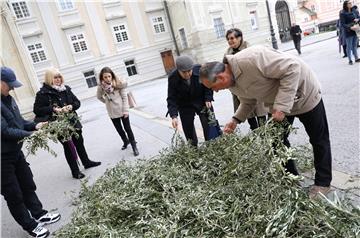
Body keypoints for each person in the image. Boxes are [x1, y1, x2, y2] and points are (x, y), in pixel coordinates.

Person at [199, 45, 332, 199]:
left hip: (304, 94)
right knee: (276, 141)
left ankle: (322, 183)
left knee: (318, 140)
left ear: (221, 77)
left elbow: (292, 68)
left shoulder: (252, 59)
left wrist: (282, 106)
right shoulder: (231, 83)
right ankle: (291, 179)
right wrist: (236, 120)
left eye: (214, 87)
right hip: (277, 105)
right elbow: (248, 100)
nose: (215, 91)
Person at [1, 67, 61, 238]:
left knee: (27, 184)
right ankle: (30, 225)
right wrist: (30, 134)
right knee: (14, 194)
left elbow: (19, 122)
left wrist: (35, 126)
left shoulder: (8, 99)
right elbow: (4, 131)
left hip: (15, 153)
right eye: (9, 85)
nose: (12, 88)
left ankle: (39, 213)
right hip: (1, 159)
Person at [33, 68, 101, 179]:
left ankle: (86, 162)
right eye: (55, 77)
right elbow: (37, 110)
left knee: (79, 142)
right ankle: (75, 171)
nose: (58, 79)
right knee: (68, 147)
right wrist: (53, 109)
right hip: (59, 125)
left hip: (72, 121)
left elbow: (77, 102)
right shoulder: (42, 94)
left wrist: (71, 107)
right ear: (49, 78)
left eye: (59, 77)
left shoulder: (66, 89)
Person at [223, 28, 267, 130]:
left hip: (252, 84)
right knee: (247, 112)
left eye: (232, 38)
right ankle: (255, 131)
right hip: (238, 87)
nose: (230, 41)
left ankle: (264, 133)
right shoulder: (227, 53)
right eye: (228, 39)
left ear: (240, 38)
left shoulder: (248, 48)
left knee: (260, 111)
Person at [167, 55, 214, 147]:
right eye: (184, 72)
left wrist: (208, 98)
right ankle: (194, 149)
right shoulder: (172, 77)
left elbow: (208, 84)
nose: (188, 74)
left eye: (189, 71)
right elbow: (171, 97)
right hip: (185, 105)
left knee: (209, 125)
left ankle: (212, 145)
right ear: (178, 70)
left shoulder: (199, 69)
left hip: (201, 101)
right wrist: (174, 116)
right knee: (188, 130)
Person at [97, 67, 139, 156]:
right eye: (105, 77)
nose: (108, 79)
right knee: (119, 129)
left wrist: (126, 111)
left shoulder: (119, 84)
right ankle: (125, 141)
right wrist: (107, 102)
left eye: (109, 76)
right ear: (102, 78)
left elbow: (124, 98)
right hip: (112, 112)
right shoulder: (101, 87)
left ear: (112, 75)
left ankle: (134, 146)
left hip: (122, 110)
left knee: (128, 129)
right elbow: (99, 97)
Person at [340, 0, 360, 65]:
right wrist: (350, 27)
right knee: (349, 46)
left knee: (354, 45)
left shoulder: (354, 10)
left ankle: (356, 58)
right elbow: (343, 24)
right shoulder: (342, 13)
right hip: (348, 31)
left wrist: (358, 19)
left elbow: (358, 17)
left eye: (351, 3)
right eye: (349, 3)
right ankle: (350, 60)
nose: (351, 4)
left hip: (355, 30)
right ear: (346, 5)